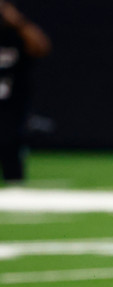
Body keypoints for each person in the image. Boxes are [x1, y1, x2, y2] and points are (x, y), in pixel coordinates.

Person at [0, 0, 50, 184]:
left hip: (12, 105)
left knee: (9, 144)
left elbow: (41, 47)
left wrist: (18, 21)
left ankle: (15, 187)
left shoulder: (18, 34)